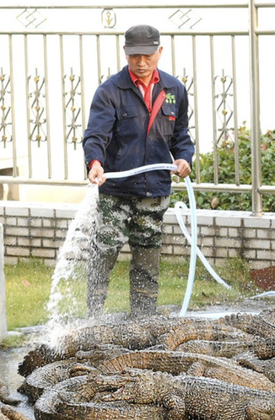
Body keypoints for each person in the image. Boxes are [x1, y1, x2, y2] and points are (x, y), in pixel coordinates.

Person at [82, 24, 194, 318]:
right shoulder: (110, 91)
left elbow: (180, 134)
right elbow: (96, 134)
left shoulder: (174, 90)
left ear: (159, 52)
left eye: (147, 55)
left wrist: (184, 158)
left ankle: (142, 321)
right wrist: (94, 162)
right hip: (116, 191)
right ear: (125, 53)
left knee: (147, 260)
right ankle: (91, 317)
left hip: (154, 191)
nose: (141, 63)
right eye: (134, 57)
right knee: (103, 253)